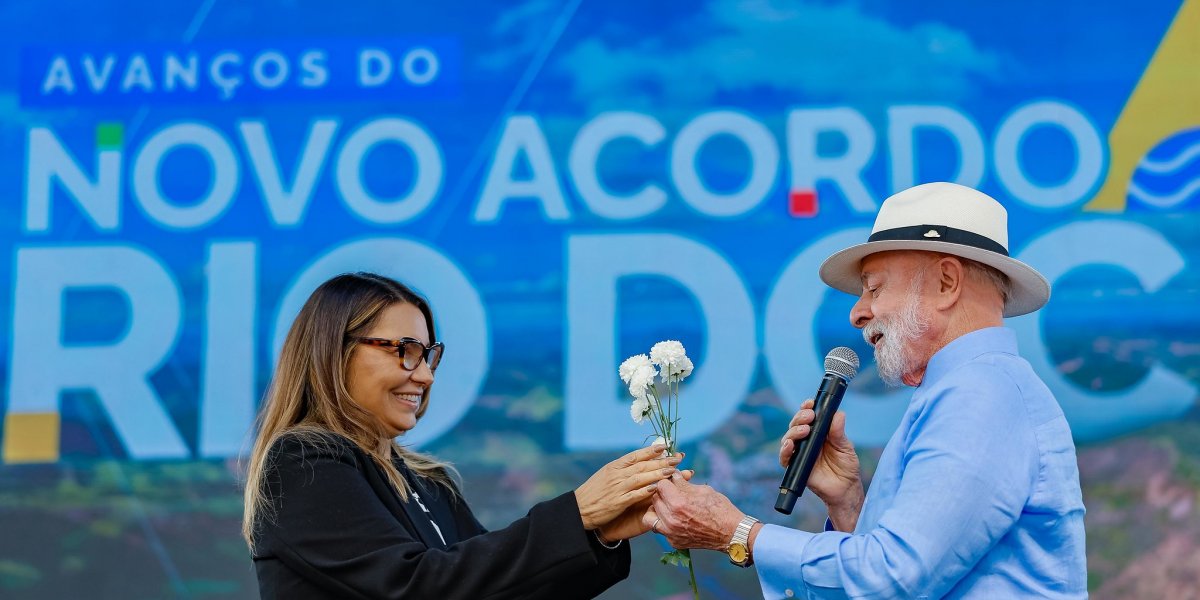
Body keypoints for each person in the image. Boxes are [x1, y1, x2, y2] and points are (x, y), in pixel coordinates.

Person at [644, 182, 1087, 598]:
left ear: (946, 283)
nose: (858, 313)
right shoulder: (969, 390)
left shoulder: (980, 394)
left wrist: (735, 533)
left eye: (874, 288)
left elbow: (896, 575)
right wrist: (849, 501)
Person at [243, 272, 684, 599]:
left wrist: (600, 533)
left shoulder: (427, 482)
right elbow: (417, 587)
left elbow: (495, 586)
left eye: (429, 355)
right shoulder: (302, 462)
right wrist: (577, 514)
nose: (425, 376)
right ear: (333, 351)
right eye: (405, 351)